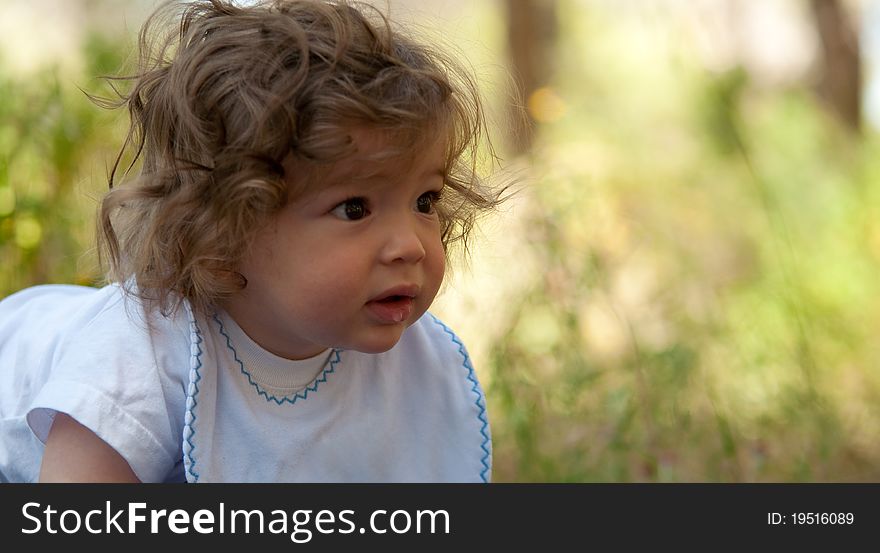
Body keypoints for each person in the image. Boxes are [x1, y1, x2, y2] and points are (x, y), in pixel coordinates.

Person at [0, 0, 506, 483]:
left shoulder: (409, 368)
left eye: (424, 200)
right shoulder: (137, 360)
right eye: (355, 208)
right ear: (225, 230)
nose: (411, 245)